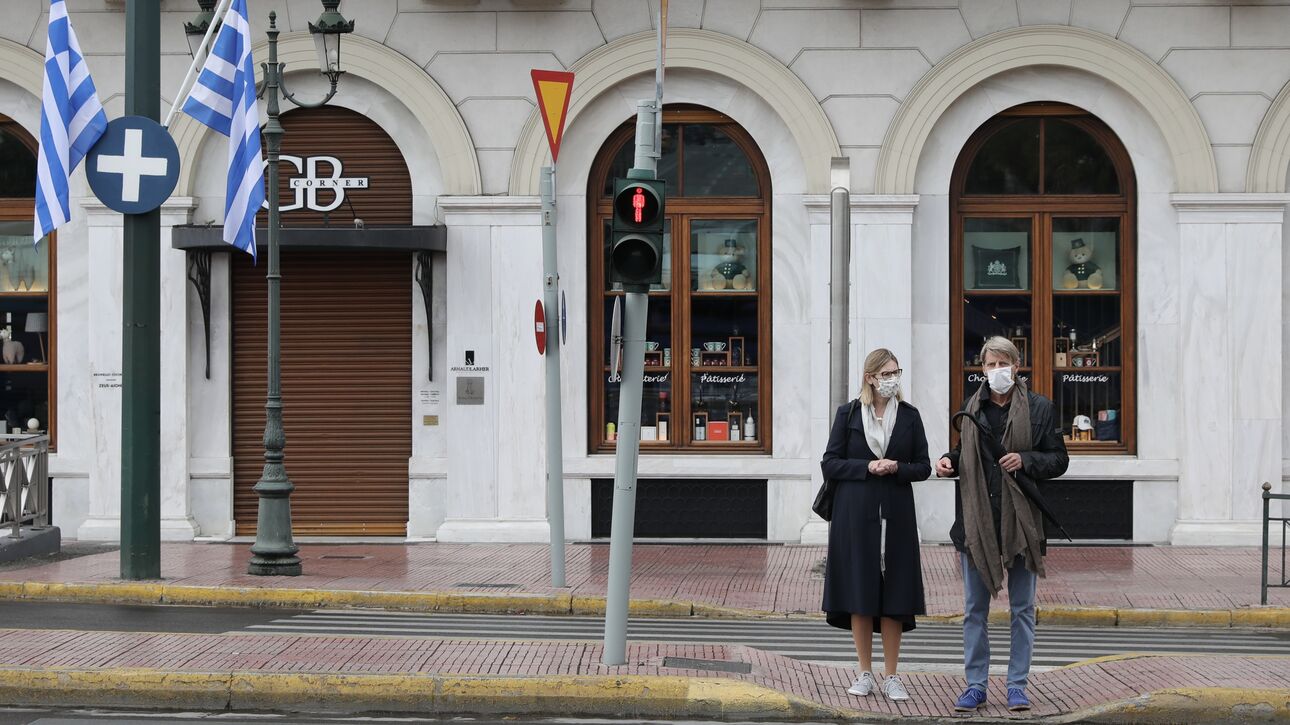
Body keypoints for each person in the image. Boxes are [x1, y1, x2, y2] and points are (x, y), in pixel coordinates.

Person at [935, 336, 1068, 713]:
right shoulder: (971, 409)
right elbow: (966, 454)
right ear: (982, 368)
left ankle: (1016, 686)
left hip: (1022, 525)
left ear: (1017, 365)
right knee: (974, 610)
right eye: (991, 364)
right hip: (977, 524)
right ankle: (975, 685)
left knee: (1022, 609)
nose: (997, 371)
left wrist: (1026, 459)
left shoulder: (1040, 407)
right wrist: (948, 461)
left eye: (1003, 363)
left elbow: (1059, 459)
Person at [821, 348, 930, 702]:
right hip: (855, 514)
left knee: (895, 593)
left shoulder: (910, 416)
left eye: (896, 372)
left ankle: (892, 676)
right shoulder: (848, 413)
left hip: (897, 514)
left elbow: (924, 466)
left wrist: (897, 467)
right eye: (886, 373)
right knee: (860, 592)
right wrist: (866, 467)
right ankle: (865, 672)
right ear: (870, 377)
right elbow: (830, 463)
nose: (892, 379)